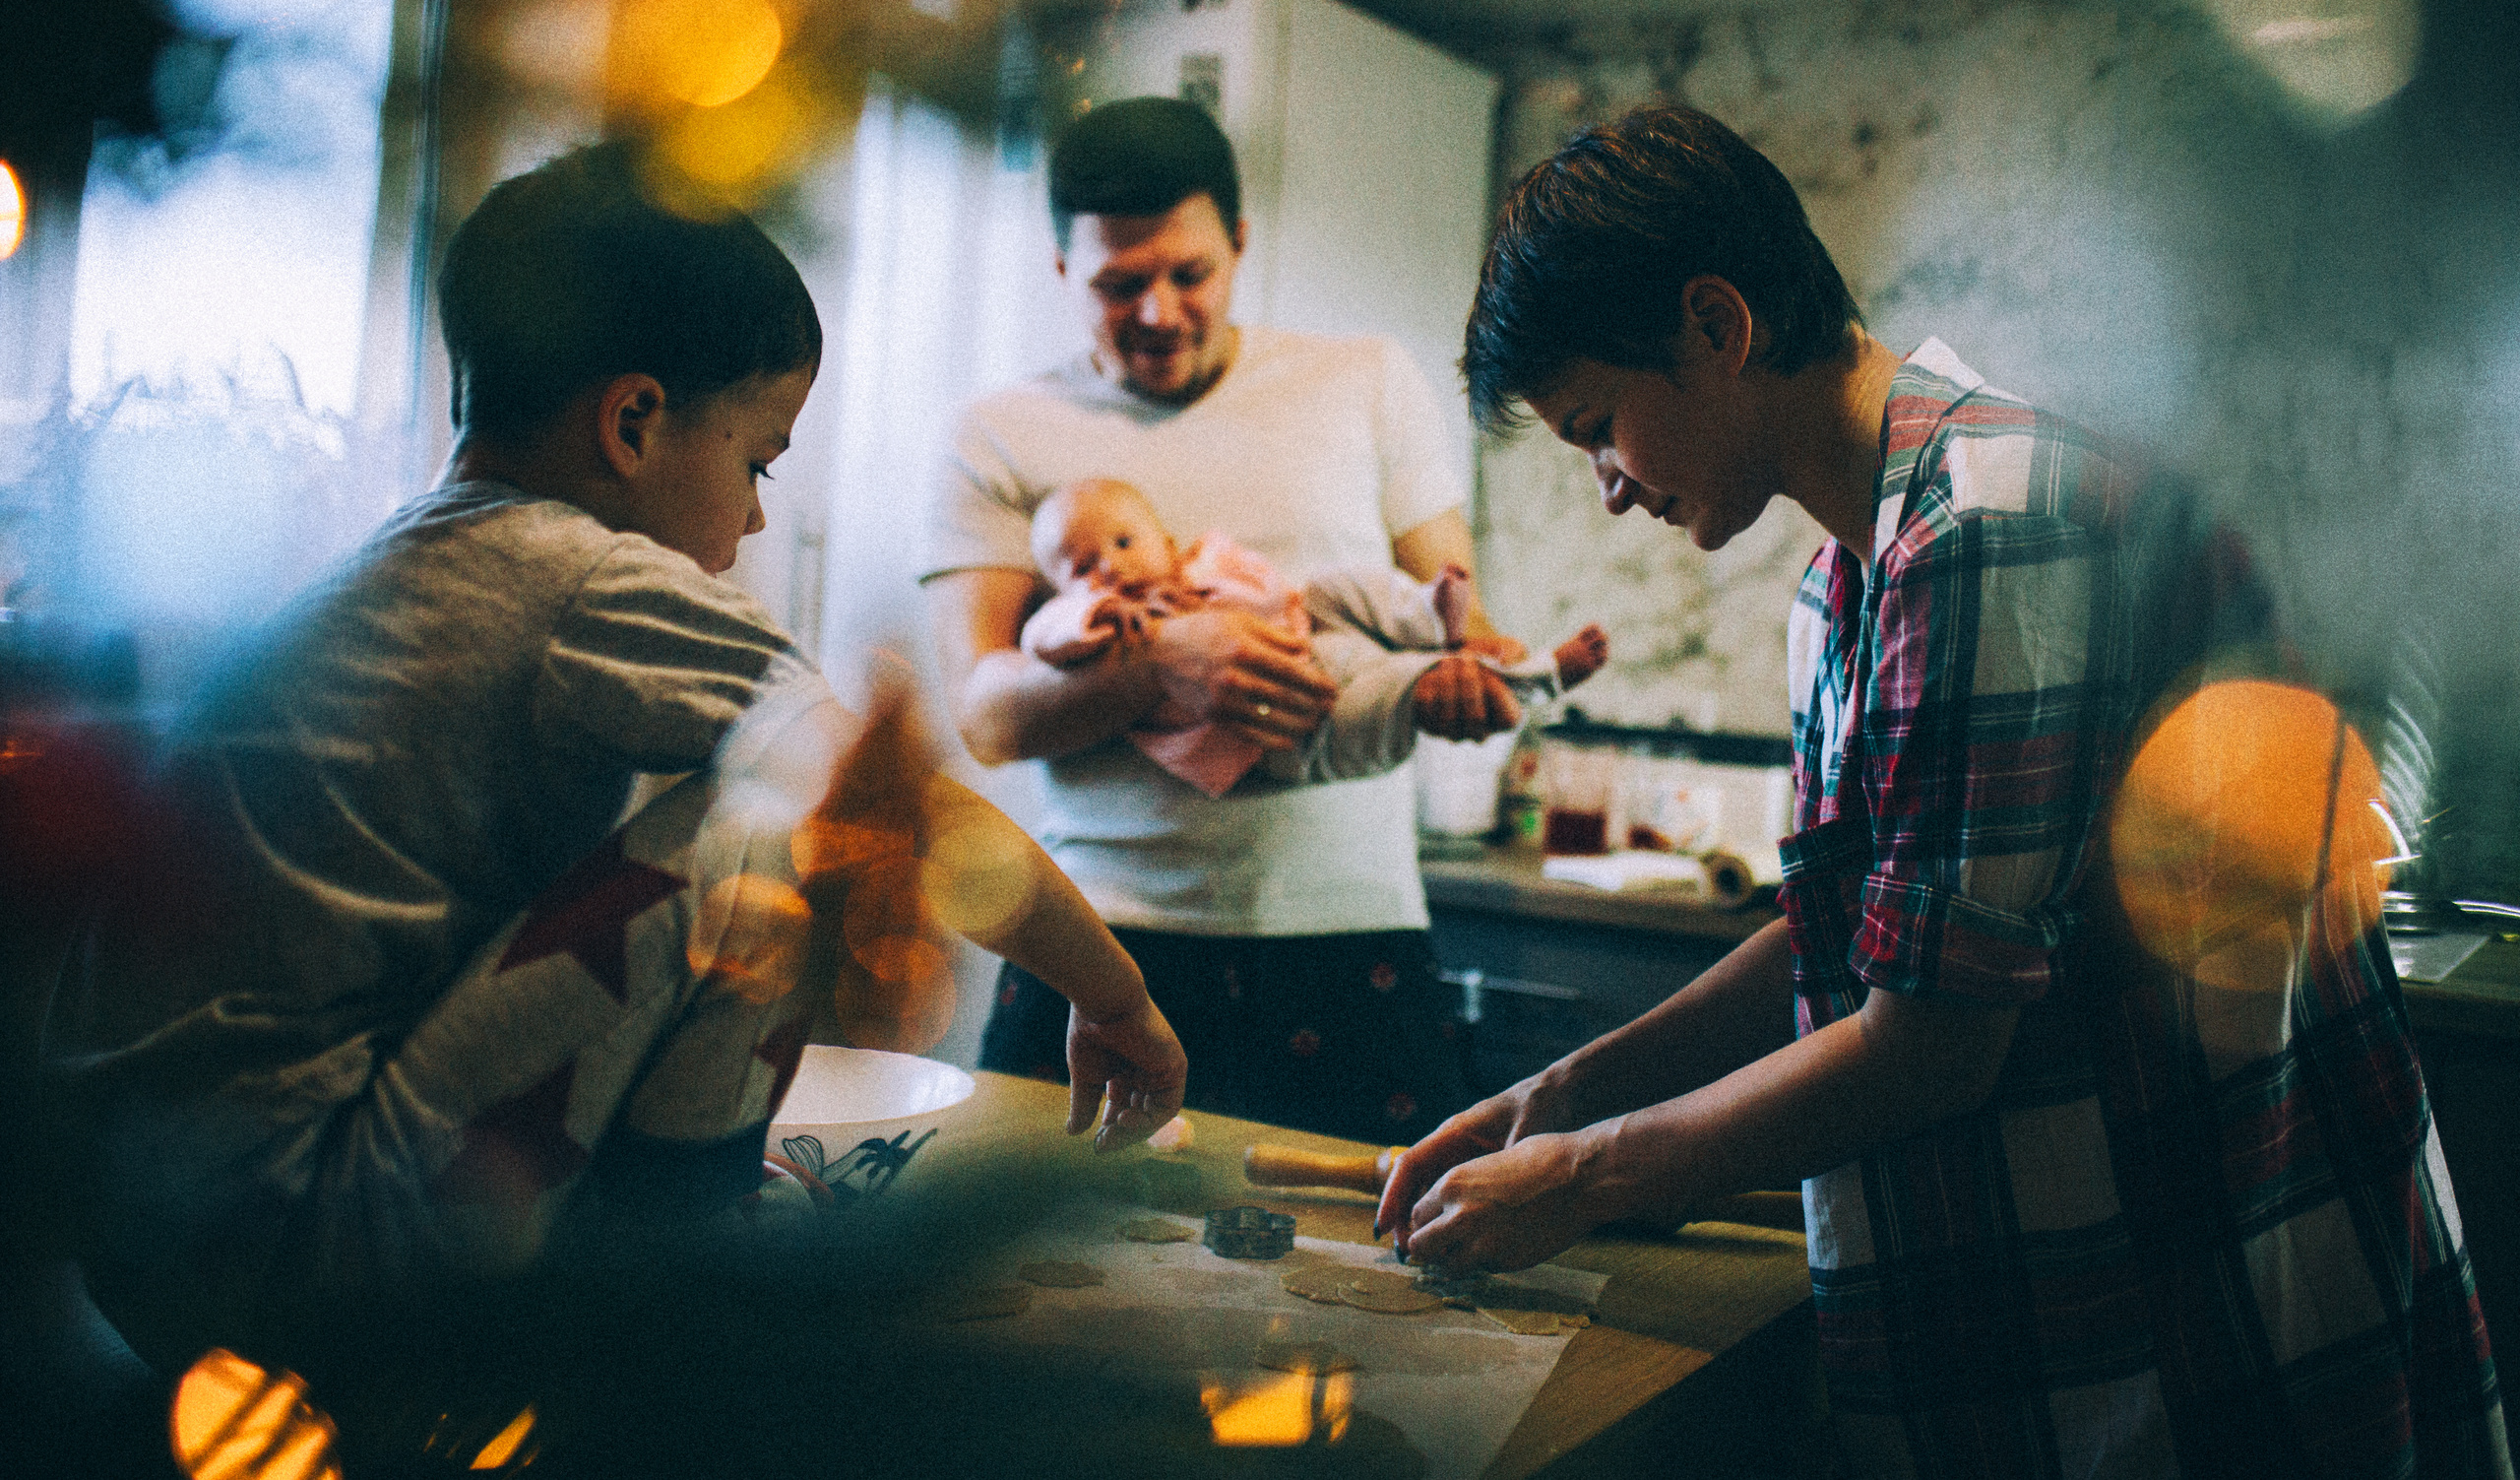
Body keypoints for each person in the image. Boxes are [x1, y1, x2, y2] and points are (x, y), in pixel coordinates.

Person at [1375, 105, 2509, 1477]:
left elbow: (1931, 1040)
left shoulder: (1985, 522)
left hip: (2194, 1293)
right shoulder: (1841, 579)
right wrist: (1559, 1093)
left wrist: (1581, 1173)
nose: (1609, 487)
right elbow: (1856, 930)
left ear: (1717, 326)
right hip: (2043, 1313)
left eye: (1598, 428)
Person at [42, 142, 1186, 1373]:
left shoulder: (411, 567)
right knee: (767, 826)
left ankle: (652, 1230)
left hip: (164, 1237)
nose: (756, 514)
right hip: (307, 1225)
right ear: (633, 421)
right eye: (756, 462)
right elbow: (895, 810)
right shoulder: (576, 574)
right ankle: (686, 1280)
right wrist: (1113, 996)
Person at [923, 97, 1519, 1143]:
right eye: (1118, 285)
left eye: (1189, 274)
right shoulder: (999, 432)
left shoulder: (1367, 383)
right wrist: (1159, 664)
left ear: (1240, 243)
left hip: (1350, 930)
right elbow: (985, 715)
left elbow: (1459, 620)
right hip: (1093, 940)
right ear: (1062, 269)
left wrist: (1479, 679)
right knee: (1046, 1245)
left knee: (1374, 1243)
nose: (1158, 312)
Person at [1021, 476, 1608, 797]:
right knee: (1395, 693)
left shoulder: (1203, 565)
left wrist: (1223, 594)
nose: (1109, 566)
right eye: (1081, 566)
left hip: (1312, 630)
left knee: (1336, 585)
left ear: (1168, 544)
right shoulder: (1088, 617)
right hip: (1275, 731)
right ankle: (1537, 676)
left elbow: (1277, 593)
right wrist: (1098, 614)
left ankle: (1431, 615)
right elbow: (1041, 637)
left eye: (1124, 543)